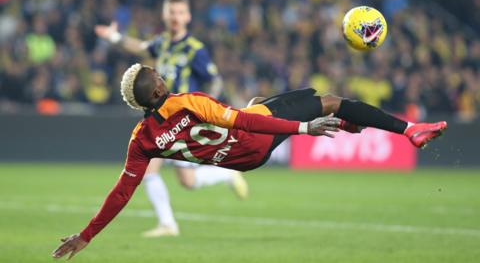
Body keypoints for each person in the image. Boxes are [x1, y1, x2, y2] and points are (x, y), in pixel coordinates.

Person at [52, 64, 447, 260]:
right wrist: (302, 128)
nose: (162, 75)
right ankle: (410, 129)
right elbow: (238, 121)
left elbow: (122, 191)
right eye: (157, 74)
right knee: (328, 100)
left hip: (240, 162)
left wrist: (86, 236)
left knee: (257, 103)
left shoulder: (142, 140)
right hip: (251, 138)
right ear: (156, 88)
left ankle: (347, 123)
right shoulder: (187, 102)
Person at [94, 0, 247, 237]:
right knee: (176, 177)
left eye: (179, 12)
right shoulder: (162, 43)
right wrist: (114, 36)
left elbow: (214, 81)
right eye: (171, 12)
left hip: (184, 120)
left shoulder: (195, 50)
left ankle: (171, 220)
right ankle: (218, 180)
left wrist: (208, 111)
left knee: (170, 175)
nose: (175, 17)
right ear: (165, 15)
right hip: (164, 117)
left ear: (187, 16)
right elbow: (141, 47)